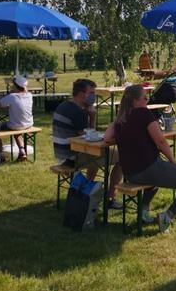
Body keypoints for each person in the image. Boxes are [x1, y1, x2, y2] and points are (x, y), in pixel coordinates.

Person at [103, 84, 176, 232]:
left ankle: (143, 212)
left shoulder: (120, 120)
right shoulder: (143, 114)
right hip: (148, 169)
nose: (147, 101)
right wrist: (173, 162)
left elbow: (107, 137)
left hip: (131, 174)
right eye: (144, 98)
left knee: (154, 183)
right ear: (135, 101)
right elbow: (160, 141)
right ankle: (167, 217)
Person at [52, 78, 123, 208]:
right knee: (122, 158)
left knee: (95, 156)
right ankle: (111, 197)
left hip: (61, 154)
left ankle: (86, 190)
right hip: (71, 157)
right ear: (80, 94)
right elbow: (88, 139)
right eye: (91, 93)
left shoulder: (64, 105)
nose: (93, 96)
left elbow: (85, 137)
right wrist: (93, 117)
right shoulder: (78, 111)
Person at [0, 75, 33, 162]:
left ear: (16, 86)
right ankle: (22, 151)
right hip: (28, 123)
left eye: (13, 85)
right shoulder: (29, 95)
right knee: (17, 129)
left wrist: (10, 94)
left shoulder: (12, 96)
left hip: (16, 125)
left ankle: (0, 154)